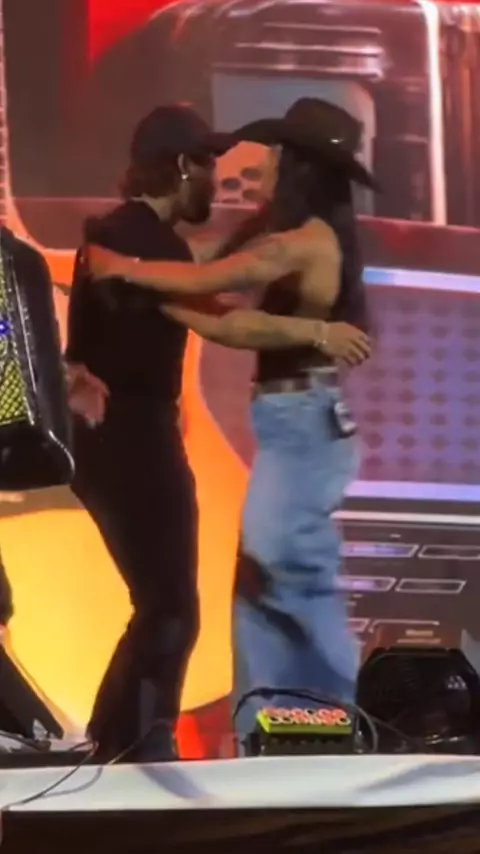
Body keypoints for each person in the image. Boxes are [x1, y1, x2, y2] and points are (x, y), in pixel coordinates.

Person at [67, 103, 368, 763]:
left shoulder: (120, 236)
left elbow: (207, 289)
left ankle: (123, 738)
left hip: (119, 436)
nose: (222, 178)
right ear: (183, 166)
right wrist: (317, 332)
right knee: (175, 603)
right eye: (209, 163)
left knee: (187, 599)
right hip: (133, 438)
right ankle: (140, 744)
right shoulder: (144, 243)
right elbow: (219, 316)